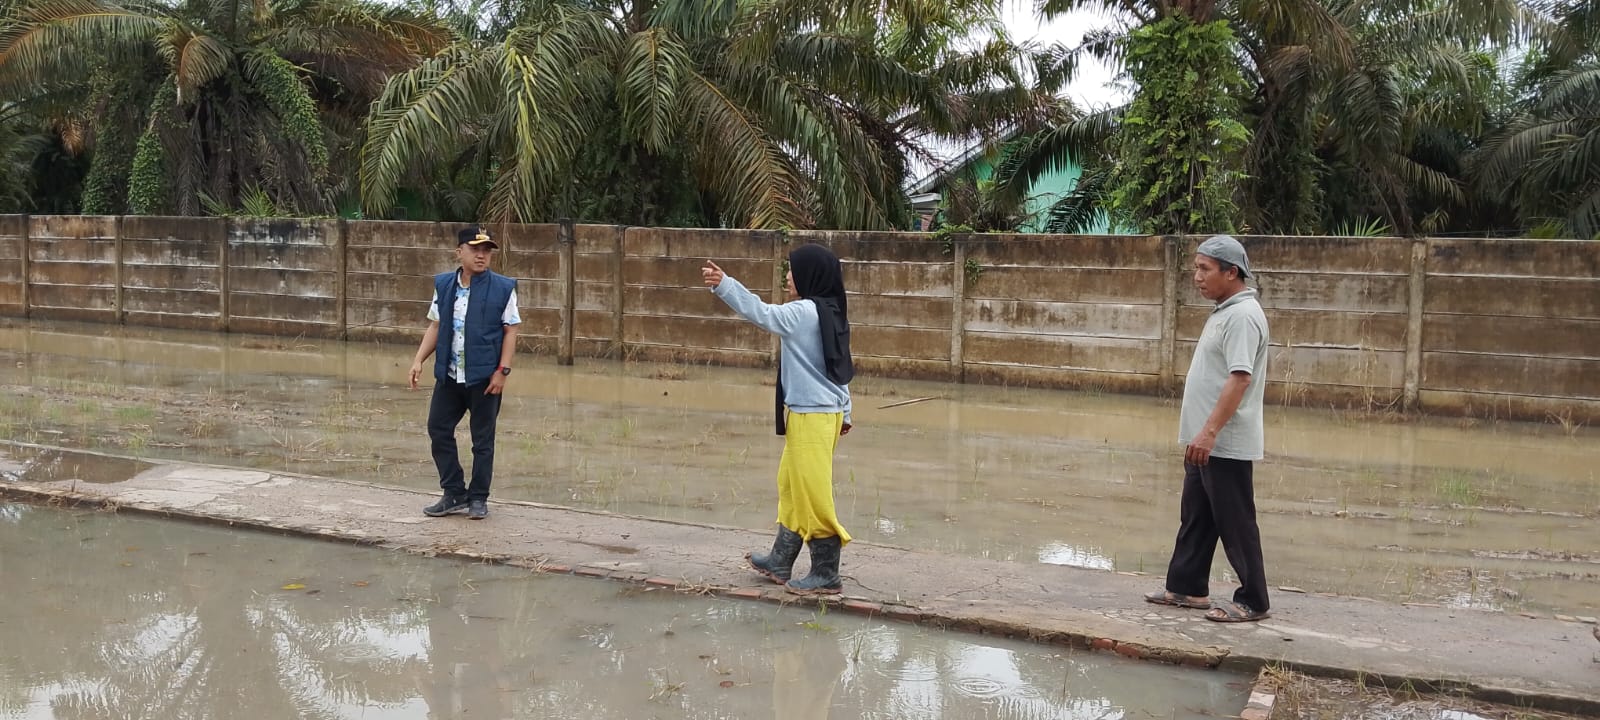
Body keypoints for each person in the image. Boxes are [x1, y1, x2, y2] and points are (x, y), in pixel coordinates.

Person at [701, 244, 854, 595]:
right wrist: (845, 410)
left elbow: (762, 313)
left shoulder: (803, 313)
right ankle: (781, 559)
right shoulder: (830, 310)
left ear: (809, 276)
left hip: (812, 416)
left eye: (791, 270)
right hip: (821, 414)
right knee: (790, 485)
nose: (787, 276)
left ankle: (826, 573)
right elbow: (840, 366)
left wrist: (725, 285)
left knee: (812, 494)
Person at [1144, 234, 1273, 622]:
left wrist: (1211, 432)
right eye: (1196, 268)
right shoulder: (1224, 312)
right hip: (1204, 439)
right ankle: (1186, 587)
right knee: (1197, 516)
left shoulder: (1243, 316)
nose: (1197, 276)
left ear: (1231, 272)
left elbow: (1240, 378)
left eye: (1205, 269)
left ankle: (1253, 600)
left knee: (1235, 521)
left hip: (1222, 441)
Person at [410, 226, 521, 521]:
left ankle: (479, 497)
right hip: (449, 376)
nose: (481, 255)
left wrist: (502, 371)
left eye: (486, 250)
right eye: (475, 249)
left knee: (482, 441)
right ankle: (454, 492)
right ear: (459, 252)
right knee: (438, 429)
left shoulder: (503, 288)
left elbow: (510, 331)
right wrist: (419, 360)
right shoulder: (445, 285)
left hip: (485, 378)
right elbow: (436, 325)